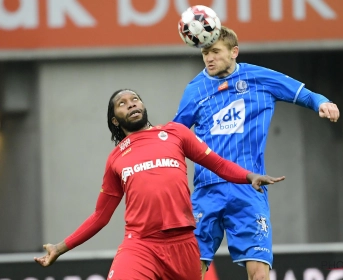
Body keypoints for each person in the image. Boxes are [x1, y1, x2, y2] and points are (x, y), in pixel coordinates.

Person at [34, 89, 285, 280]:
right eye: (122, 104)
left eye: (135, 99)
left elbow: (217, 164)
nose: (131, 103)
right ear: (114, 120)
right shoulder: (116, 158)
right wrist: (60, 247)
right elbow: (100, 215)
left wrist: (248, 176)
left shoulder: (176, 133)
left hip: (185, 244)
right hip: (141, 244)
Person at [173, 26, 340, 280]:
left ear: (234, 52)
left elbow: (302, 93)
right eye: (205, 52)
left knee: (259, 273)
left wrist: (322, 102)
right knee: (192, 270)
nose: (209, 58)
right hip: (207, 189)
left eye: (216, 51)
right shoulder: (195, 89)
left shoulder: (259, 78)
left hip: (248, 187)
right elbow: (175, 136)